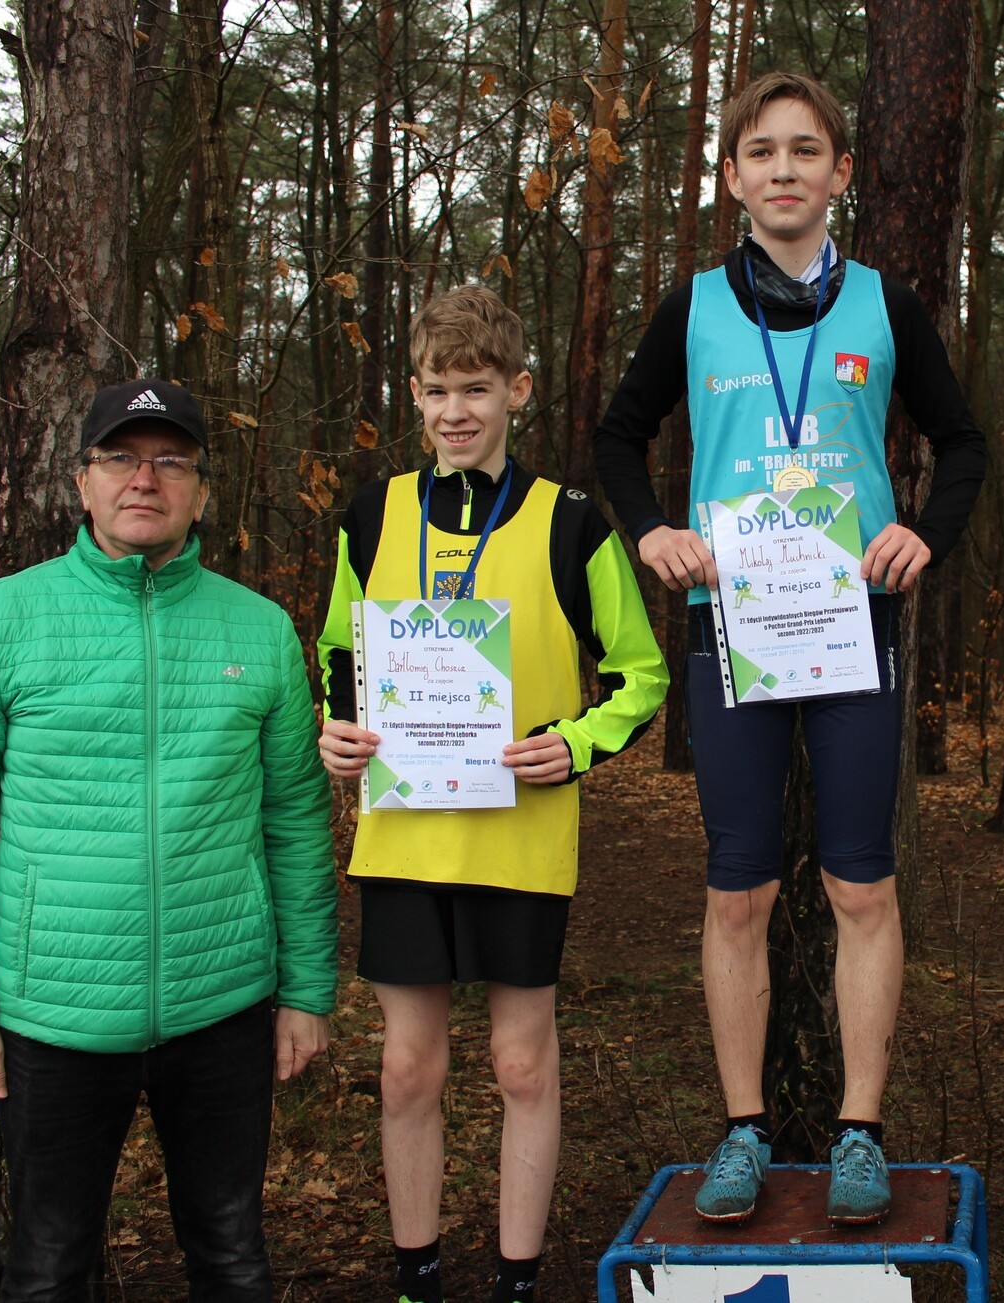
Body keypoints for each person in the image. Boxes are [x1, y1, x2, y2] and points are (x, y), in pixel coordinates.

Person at [593, 70, 986, 1226]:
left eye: (805, 150)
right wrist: (652, 531)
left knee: (861, 882)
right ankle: (743, 1129)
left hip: (853, 621)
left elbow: (964, 441)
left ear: (840, 172)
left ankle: (861, 1132)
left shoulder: (885, 304)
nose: (783, 170)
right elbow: (618, 434)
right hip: (732, 627)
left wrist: (926, 534)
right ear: (731, 177)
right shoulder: (693, 307)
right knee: (740, 891)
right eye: (760, 151)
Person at [0, 379, 337, 1300]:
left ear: (201, 491)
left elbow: (295, 817)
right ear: (82, 481)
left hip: (223, 1005)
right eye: (121, 458)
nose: (145, 478)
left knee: (232, 1253)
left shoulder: (260, 631)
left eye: (171, 460)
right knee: (49, 1263)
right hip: (51, 1014)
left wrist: (305, 987)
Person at [316, 286, 666, 1303]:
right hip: (404, 837)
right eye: (436, 390)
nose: (454, 411)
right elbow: (340, 651)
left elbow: (640, 674)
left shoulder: (572, 522)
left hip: (520, 837)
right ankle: (417, 1275)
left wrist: (575, 744)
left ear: (517, 390)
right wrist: (339, 730)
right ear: (413, 395)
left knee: (521, 1065)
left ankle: (517, 1279)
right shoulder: (373, 513)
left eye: (475, 388)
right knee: (408, 1069)